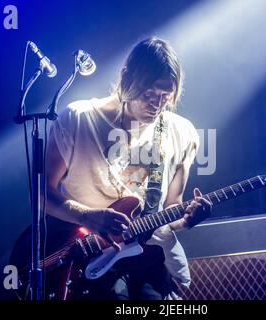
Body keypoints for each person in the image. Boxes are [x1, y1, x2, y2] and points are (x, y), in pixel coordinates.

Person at [45, 37, 212, 300]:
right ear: (126, 80)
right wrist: (89, 217)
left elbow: (172, 206)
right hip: (85, 257)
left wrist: (188, 219)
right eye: (149, 95)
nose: (157, 105)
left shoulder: (182, 133)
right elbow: (42, 194)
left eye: (165, 97)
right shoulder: (78, 119)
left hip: (147, 258)